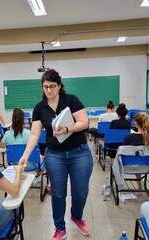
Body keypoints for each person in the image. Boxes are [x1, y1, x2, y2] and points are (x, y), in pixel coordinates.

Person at [18, 69, 93, 240]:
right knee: (58, 194)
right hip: (54, 155)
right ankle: (60, 228)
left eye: (52, 86)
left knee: (80, 192)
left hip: (79, 153)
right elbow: (35, 134)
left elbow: (84, 122)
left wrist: (67, 128)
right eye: (45, 87)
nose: (49, 90)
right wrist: (25, 155)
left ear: (59, 86)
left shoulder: (71, 100)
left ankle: (76, 217)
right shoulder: (39, 108)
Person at [123, 112, 149, 189]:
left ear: (135, 123)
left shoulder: (128, 137)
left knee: (135, 157)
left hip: (129, 167)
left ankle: (139, 183)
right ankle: (139, 183)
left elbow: (124, 150)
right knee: (141, 157)